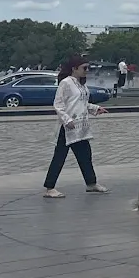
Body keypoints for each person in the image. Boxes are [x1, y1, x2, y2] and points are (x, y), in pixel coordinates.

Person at [42, 56, 107, 198]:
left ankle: (91, 183)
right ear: (74, 68)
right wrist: (67, 119)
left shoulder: (81, 84)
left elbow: (81, 104)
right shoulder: (66, 83)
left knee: (85, 155)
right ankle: (49, 187)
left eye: (88, 68)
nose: (87, 71)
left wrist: (95, 109)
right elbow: (58, 104)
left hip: (81, 127)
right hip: (68, 127)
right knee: (59, 157)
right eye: (84, 68)